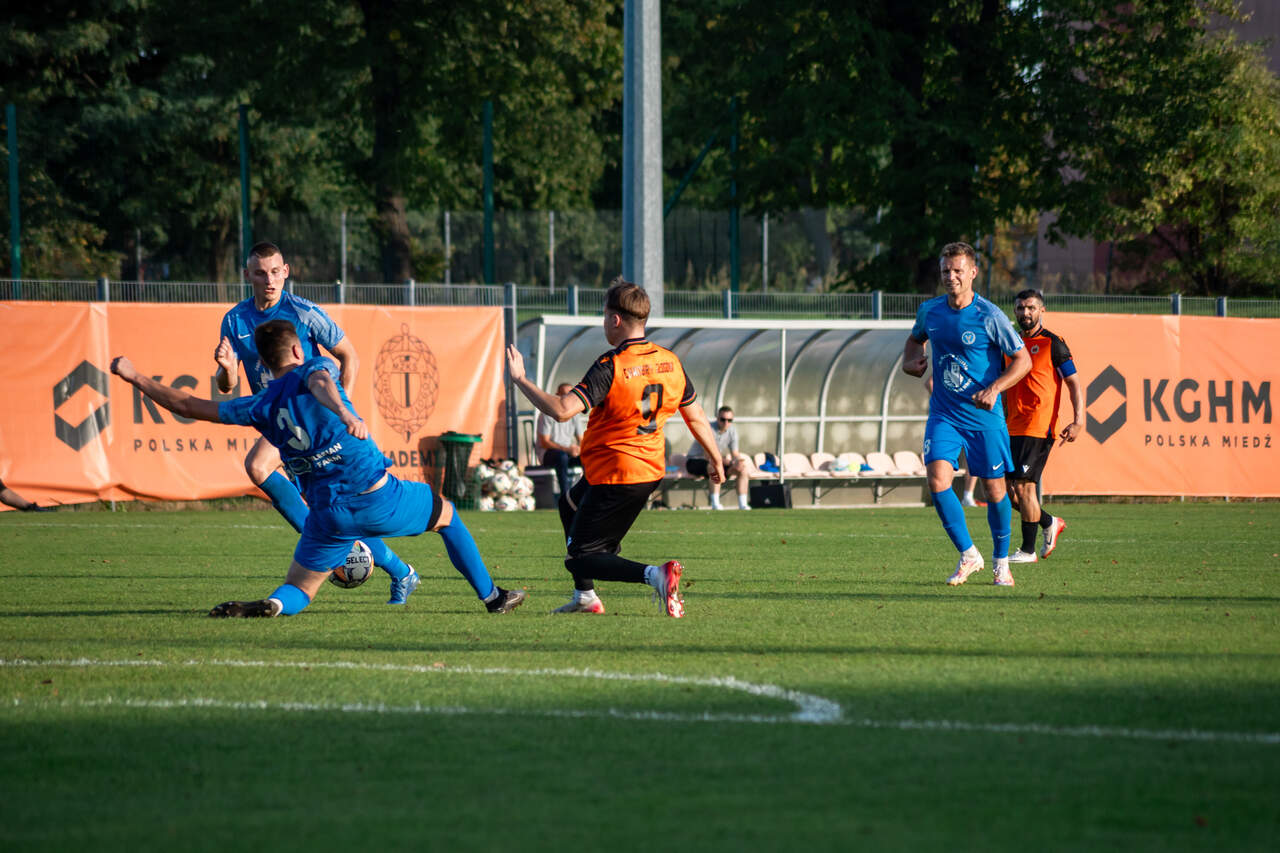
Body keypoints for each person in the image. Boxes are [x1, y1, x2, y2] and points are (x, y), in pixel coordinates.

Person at [111, 319, 525, 618]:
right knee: (447, 515)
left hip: (327, 516)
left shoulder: (259, 404)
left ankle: (273, 605)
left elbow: (186, 405)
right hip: (377, 496)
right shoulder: (314, 367)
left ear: (263, 362)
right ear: (297, 350)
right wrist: (345, 413)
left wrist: (134, 376)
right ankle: (493, 598)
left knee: (299, 588)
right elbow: (321, 384)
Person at [505, 278, 725, 617]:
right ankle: (585, 597)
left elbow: (562, 411)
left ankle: (656, 575)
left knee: (580, 557)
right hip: (643, 470)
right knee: (568, 505)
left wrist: (521, 379)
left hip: (618, 474)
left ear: (615, 319)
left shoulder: (613, 365)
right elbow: (695, 416)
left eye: (604, 315)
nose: (603, 322)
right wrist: (715, 458)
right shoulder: (670, 361)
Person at [214, 241, 410, 589]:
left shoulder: (304, 312)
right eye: (261, 273)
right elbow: (226, 387)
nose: (269, 280)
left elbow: (349, 356)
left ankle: (334, 548)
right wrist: (227, 369)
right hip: (279, 419)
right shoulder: (235, 320)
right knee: (330, 506)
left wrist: (341, 408)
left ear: (286, 272)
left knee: (260, 467)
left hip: (311, 417)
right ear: (247, 275)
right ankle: (400, 571)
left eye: (275, 272)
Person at [902, 242, 1031, 587]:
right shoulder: (930, 311)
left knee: (994, 490)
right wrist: (909, 362)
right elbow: (914, 341)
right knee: (937, 480)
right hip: (944, 413)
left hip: (983, 417)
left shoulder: (990, 316)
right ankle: (969, 554)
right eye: (946, 270)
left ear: (973, 272)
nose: (951, 276)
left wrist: (995, 388)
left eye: (958, 270)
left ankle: (1001, 563)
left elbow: (1023, 361)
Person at [1004, 289, 1084, 563]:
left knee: (1025, 488)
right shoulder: (1010, 343)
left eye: (1031, 308)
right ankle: (1049, 522)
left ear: (1041, 310)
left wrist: (1078, 420)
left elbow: (1073, 383)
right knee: (1008, 494)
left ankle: (1027, 551)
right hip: (1010, 427)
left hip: (1038, 426)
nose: (1025, 313)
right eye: (1020, 308)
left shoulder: (1053, 343)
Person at [686, 405, 751, 510]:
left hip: (715, 461)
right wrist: (729, 462)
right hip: (694, 461)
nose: (726, 423)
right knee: (714, 467)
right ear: (717, 418)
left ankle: (743, 505)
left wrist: (738, 462)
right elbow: (707, 455)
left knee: (743, 469)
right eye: (723, 419)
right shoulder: (708, 428)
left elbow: (735, 453)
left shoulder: (732, 431)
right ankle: (715, 504)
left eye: (729, 420)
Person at [535, 383, 584, 496]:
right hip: (548, 454)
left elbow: (582, 440)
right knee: (561, 457)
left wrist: (580, 449)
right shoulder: (547, 413)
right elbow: (545, 442)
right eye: (565, 395)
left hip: (567, 453)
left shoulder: (575, 414)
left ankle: (587, 494)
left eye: (571, 395)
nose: (569, 398)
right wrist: (568, 449)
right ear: (557, 396)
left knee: (588, 457)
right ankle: (565, 496)